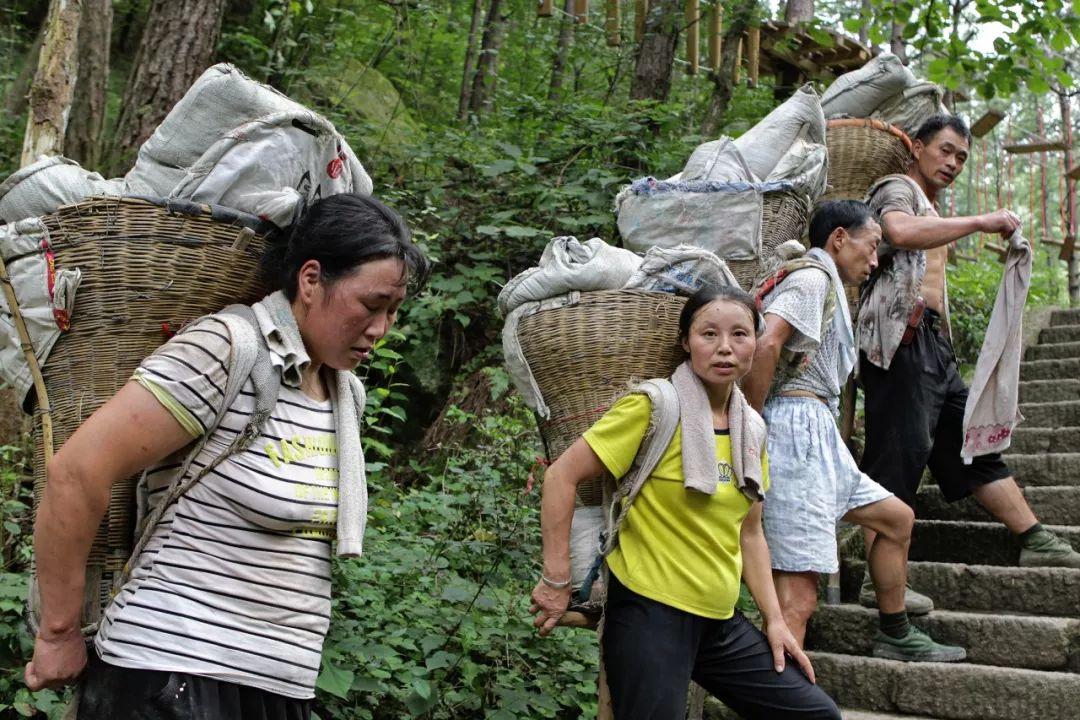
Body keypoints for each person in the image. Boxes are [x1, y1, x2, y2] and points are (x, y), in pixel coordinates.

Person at [24, 193, 430, 719]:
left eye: (393, 311)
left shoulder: (344, 394)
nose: (380, 329)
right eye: (371, 305)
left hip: (278, 686)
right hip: (170, 675)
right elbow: (76, 472)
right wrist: (57, 633)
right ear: (311, 280)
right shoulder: (226, 349)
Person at [529, 285, 841, 720]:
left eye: (739, 334)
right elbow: (560, 476)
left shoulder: (751, 429)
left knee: (815, 714)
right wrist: (556, 579)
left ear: (756, 341)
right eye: (708, 334)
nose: (725, 347)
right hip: (649, 615)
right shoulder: (654, 407)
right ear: (685, 342)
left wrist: (774, 619)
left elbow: (750, 534)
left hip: (719, 622)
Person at [856, 114, 1080, 605]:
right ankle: (879, 582)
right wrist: (981, 221)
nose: (954, 163)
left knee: (972, 443)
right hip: (899, 344)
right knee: (897, 457)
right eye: (946, 150)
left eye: (961, 156)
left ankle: (1034, 539)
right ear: (917, 148)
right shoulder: (896, 188)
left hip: (933, 347)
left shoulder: (931, 207)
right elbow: (896, 230)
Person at [742, 200, 965, 663]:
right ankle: (778, 694)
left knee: (897, 518)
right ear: (839, 238)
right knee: (798, 600)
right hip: (794, 434)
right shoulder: (811, 279)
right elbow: (766, 344)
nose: (875, 259)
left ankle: (895, 631)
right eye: (871, 245)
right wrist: (752, 424)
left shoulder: (824, 283)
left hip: (816, 433)